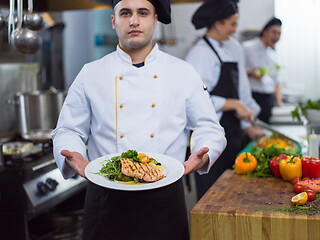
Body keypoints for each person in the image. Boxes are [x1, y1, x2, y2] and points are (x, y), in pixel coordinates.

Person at [51, 0, 227, 239]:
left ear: (155, 20)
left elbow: (209, 127)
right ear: (113, 21)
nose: (134, 21)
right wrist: (74, 154)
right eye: (125, 13)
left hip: (164, 199)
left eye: (142, 13)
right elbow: (68, 130)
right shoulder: (90, 73)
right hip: (105, 199)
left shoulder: (183, 72)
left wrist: (202, 153)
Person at [185, 0, 265, 199]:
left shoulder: (231, 47)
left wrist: (249, 124)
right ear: (218, 23)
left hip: (232, 134)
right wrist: (233, 104)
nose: (235, 29)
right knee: (211, 198)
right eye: (232, 24)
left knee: (232, 194)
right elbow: (192, 102)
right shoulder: (200, 54)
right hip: (208, 141)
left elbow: (242, 90)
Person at [242, 17, 283, 123]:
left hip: (268, 101)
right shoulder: (247, 47)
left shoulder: (273, 54)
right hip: (253, 97)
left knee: (265, 134)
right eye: (274, 32)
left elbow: (276, 82)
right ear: (264, 32)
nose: (276, 36)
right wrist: (251, 73)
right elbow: (237, 73)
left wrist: (279, 102)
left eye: (279, 33)